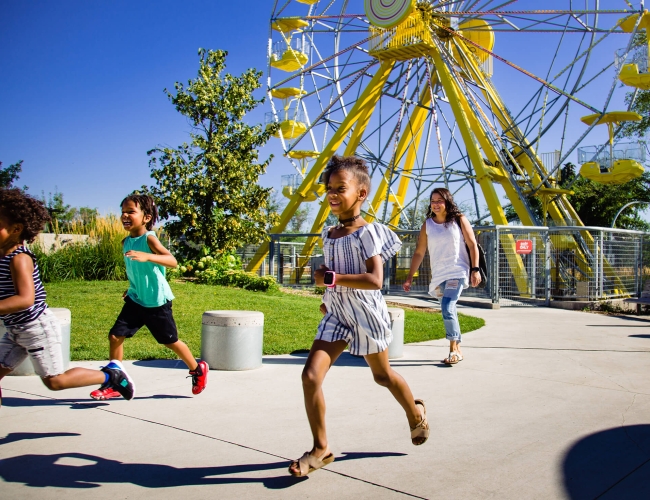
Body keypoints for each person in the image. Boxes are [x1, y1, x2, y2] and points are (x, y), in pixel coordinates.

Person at [288, 156, 429, 478]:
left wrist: (332, 279)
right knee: (310, 376)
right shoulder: (329, 234)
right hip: (337, 314)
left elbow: (375, 280)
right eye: (328, 189)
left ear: (362, 193)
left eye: (341, 188)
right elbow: (329, 275)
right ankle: (320, 449)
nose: (332, 194)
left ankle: (415, 412)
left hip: (366, 314)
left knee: (382, 376)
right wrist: (327, 290)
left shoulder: (368, 233)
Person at [0, 188, 135, 406]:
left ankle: (111, 376)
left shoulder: (19, 258)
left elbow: (25, 299)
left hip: (36, 329)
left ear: (16, 229)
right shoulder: (2, 256)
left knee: (55, 381)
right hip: (15, 330)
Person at [89, 194, 208, 400]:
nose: (125, 216)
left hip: (156, 302)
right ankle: (115, 382)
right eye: (123, 212)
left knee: (170, 341)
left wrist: (148, 256)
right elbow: (137, 272)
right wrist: (132, 288)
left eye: (131, 212)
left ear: (146, 217)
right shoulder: (126, 241)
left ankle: (197, 369)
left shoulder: (149, 238)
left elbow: (172, 261)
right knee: (115, 336)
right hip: (136, 299)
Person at [402, 187, 481, 365]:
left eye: (439, 200)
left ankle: (453, 350)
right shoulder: (427, 224)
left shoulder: (459, 220)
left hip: (457, 271)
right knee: (448, 310)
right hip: (438, 275)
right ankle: (458, 348)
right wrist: (409, 277)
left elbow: (472, 244)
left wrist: (474, 269)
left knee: (447, 306)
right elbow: (419, 253)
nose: (436, 204)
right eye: (433, 201)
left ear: (447, 201)